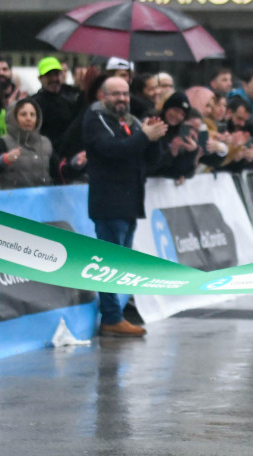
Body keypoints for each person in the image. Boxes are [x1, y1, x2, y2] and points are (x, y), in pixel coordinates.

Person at [83, 76, 167, 337]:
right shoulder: (95, 119)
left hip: (129, 203)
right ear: (103, 96)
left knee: (120, 264)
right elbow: (112, 150)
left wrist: (155, 137)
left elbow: (151, 161)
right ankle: (111, 317)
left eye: (125, 94)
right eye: (116, 94)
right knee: (109, 262)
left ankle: (113, 313)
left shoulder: (130, 123)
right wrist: (144, 136)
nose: (122, 99)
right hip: (108, 202)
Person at [0, 98, 80, 189]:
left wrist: (75, 164)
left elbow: (59, 171)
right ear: (13, 117)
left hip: (41, 200)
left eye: (33, 115)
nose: (29, 119)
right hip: (12, 201)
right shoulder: (3, 142)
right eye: (23, 114)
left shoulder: (45, 142)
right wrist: (5, 160)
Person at [33, 56, 81, 152]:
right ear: (40, 78)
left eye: (56, 74)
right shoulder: (34, 103)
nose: (54, 79)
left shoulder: (71, 99)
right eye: (49, 75)